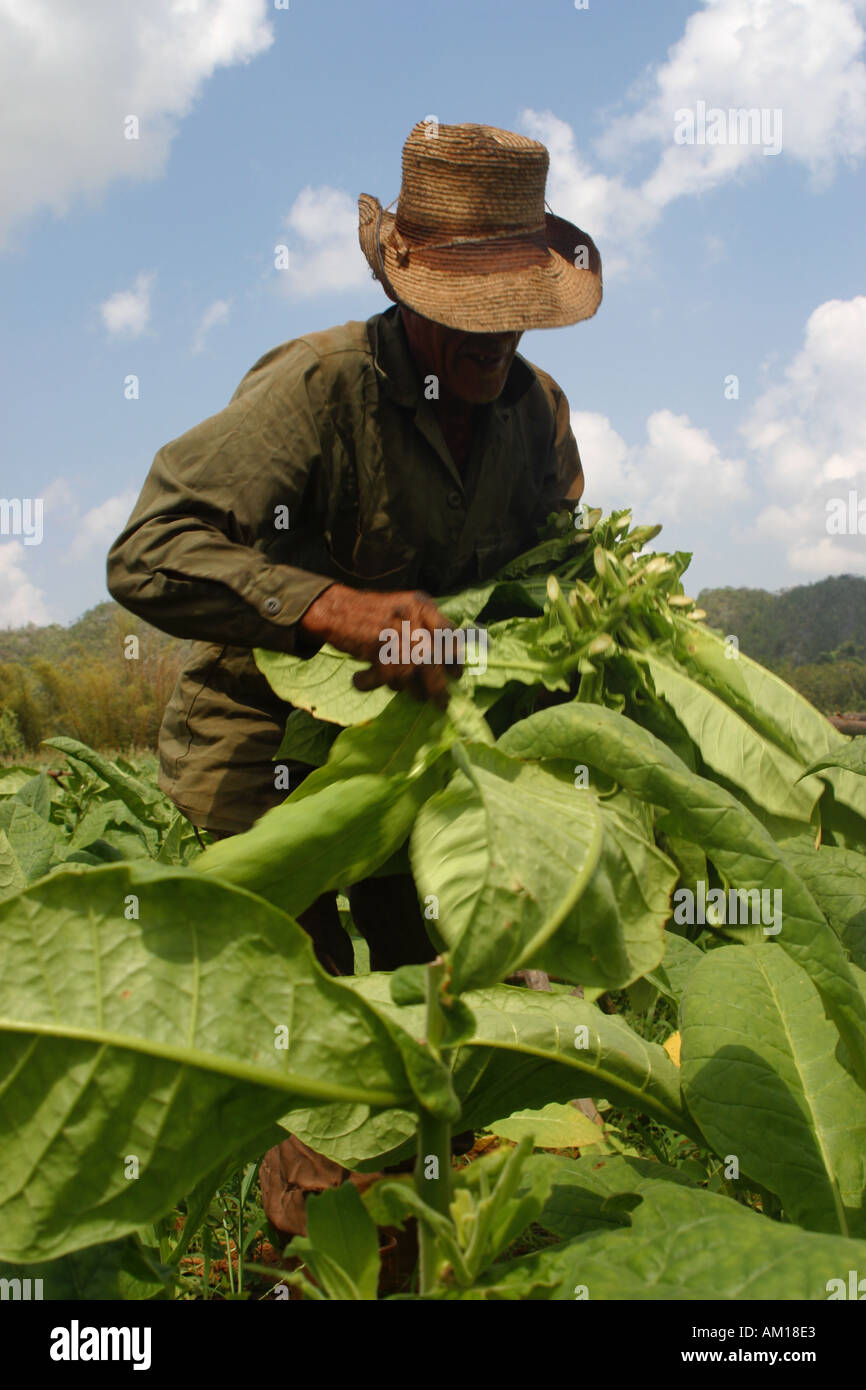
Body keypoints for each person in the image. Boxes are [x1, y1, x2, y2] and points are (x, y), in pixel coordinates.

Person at [106, 119, 602, 1242]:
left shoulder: (536, 419)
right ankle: (313, 1251)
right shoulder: (319, 386)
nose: (494, 340)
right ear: (406, 286)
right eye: (468, 314)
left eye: (511, 309)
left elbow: (538, 590)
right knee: (314, 1047)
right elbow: (148, 551)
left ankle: (448, 1240)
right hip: (266, 757)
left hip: (417, 757)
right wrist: (335, 611)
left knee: (461, 1028)